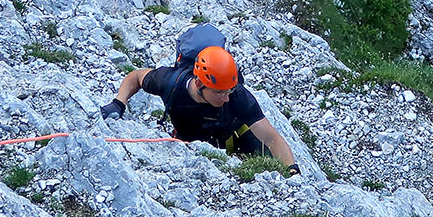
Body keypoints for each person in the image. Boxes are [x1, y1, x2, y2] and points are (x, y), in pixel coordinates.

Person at [103, 45, 299, 173]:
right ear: (198, 84)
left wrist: (292, 169)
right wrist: (119, 103)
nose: (226, 97)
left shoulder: (238, 96)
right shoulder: (171, 82)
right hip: (188, 143)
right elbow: (136, 77)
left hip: (234, 142)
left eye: (229, 91)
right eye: (219, 93)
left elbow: (270, 137)